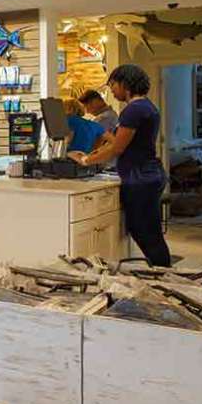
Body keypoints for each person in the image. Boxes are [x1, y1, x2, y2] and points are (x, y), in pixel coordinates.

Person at [69, 64, 170, 266]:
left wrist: (86, 160)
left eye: (113, 85)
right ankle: (163, 273)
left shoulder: (133, 110)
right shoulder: (145, 107)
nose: (112, 91)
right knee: (148, 231)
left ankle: (165, 276)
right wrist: (92, 154)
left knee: (146, 233)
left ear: (125, 83)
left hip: (141, 177)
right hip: (147, 174)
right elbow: (114, 142)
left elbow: (117, 147)